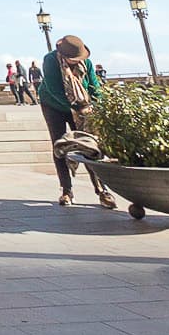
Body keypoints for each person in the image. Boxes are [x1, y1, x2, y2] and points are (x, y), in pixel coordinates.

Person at [36, 35, 116, 209]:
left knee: (90, 146)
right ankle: (66, 190)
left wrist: (97, 107)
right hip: (53, 105)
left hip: (82, 107)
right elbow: (53, 88)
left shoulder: (86, 63)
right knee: (59, 144)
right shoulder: (50, 61)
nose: (75, 62)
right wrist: (75, 108)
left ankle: (102, 190)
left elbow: (94, 86)